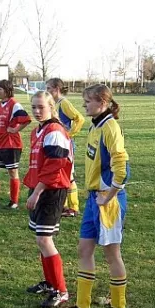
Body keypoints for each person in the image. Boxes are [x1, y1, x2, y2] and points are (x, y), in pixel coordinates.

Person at [57, 84, 130, 308]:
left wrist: (108, 196)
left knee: (112, 255)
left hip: (108, 202)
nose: (83, 105)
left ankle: (119, 307)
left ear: (103, 102)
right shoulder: (95, 125)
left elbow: (122, 168)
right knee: (84, 250)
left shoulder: (110, 127)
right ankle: (82, 307)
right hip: (92, 199)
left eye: (87, 101)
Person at [24, 91, 73, 308]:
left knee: (45, 239)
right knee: (40, 238)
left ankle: (61, 291)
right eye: (33, 107)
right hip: (39, 187)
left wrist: (37, 192)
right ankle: (50, 282)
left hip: (51, 190)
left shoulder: (55, 131)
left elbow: (55, 166)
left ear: (52, 107)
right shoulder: (38, 130)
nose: (36, 111)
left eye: (41, 107)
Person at [0, 79, 31, 209]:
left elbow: (26, 119)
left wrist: (15, 130)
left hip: (11, 145)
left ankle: (13, 202)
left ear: (7, 90)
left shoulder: (14, 104)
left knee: (13, 172)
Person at [46, 78, 85, 217]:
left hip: (66, 144)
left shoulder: (64, 103)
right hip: (58, 143)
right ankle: (63, 205)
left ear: (57, 89)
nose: (47, 91)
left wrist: (70, 134)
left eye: (49, 88)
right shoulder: (53, 103)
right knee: (60, 174)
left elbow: (79, 118)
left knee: (69, 176)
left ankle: (74, 208)